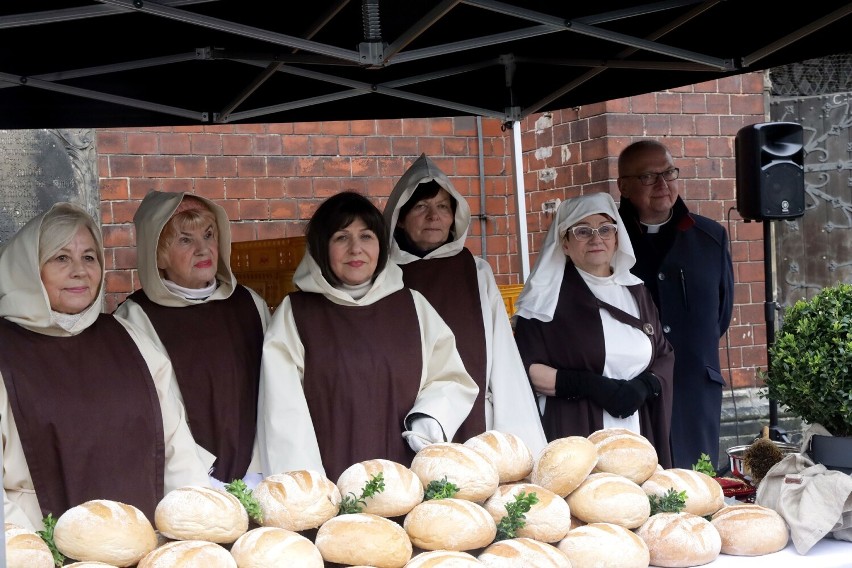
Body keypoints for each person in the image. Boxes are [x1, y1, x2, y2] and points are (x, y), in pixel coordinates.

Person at [0, 203, 212, 531]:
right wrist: (30, 550)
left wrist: (196, 525)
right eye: (61, 258)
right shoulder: (6, 351)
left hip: (143, 541)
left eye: (89, 257)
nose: (79, 271)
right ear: (29, 269)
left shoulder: (129, 338)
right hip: (41, 541)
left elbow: (175, 446)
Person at [258, 191, 478, 482]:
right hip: (330, 481)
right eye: (341, 237)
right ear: (321, 248)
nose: (355, 249)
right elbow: (282, 410)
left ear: (381, 246)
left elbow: (450, 378)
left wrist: (426, 424)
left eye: (366, 237)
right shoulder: (296, 314)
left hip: (406, 481)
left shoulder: (412, 306)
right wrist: (310, 487)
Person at [383, 154, 547, 457]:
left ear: (454, 216)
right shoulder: (384, 276)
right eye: (421, 207)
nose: (434, 216)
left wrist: (520, 442)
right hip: (401, 419)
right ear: (401, 218)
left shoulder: (476, 272)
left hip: (475, 419)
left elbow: (502, 355)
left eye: (443, 207)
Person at [114, 191, 270, 487]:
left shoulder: (250, 305)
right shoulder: (135, 319)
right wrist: (200, 478)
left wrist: (258, 469)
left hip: (258, 473)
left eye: (209, 235)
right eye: (186, 240)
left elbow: (273, 392)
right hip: (190, 481)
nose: (203, 249)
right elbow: (153, 412)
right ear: (158, 254)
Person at [513, 192, 674, 467]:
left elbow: (663, 353)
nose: (596, 238)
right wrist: (590, 385)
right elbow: (526, 369)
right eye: (582, 231)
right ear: (564, 243)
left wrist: (643, 387)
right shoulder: (545, 300)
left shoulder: (636, 291)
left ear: (616, 237)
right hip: (577, 425)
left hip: (636, 424)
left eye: (605, 229)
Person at [616, 140, 734, 469]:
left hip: (694, 387)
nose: (663, 185)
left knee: (697, 488)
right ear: (623, 186)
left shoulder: (710, 237)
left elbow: (720, 316)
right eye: (649, 177)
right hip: (633, 389)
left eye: (669, 173)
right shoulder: (607, 242)